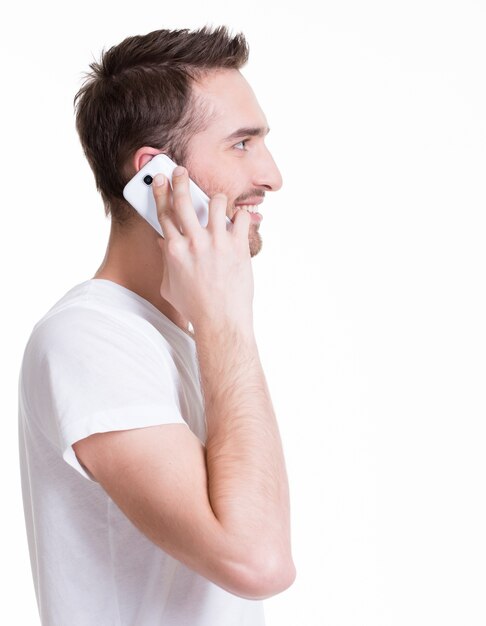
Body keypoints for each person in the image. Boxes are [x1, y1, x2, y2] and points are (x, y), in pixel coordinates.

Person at [19, 26, 295, 626]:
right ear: (156, 175)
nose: (272, 176)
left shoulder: (174, 341)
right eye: (242, 144)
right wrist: (226, 321)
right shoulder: (88, 339)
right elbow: (259, 562)